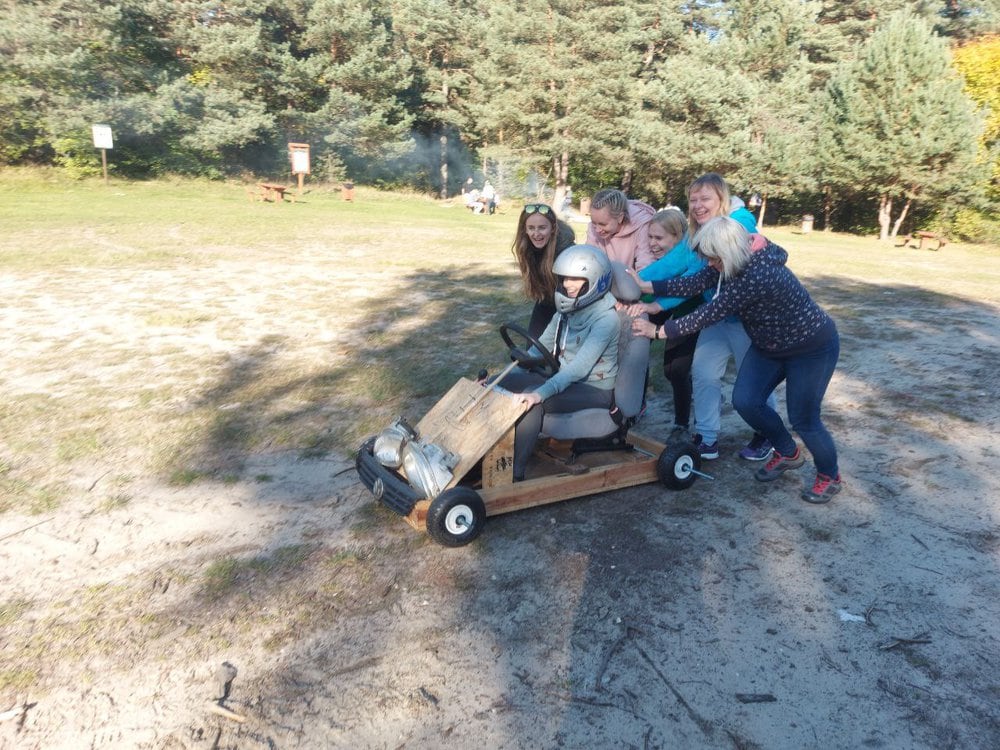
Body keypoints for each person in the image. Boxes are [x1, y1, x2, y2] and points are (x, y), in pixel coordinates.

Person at [632, 216, 842, 504]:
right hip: (769, 345)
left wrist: (658, 331)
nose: (709, 264)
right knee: (746, 401)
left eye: (713, 258)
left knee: (804, 419)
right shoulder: (730, 262)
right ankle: (787, 451)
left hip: (811, 348)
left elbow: (709, 313)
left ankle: (830, 476)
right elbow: (695, 282)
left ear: (728, 252)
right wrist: (648, 287)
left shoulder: (756, 276)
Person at [498, 245, 621, 481]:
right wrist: (512, 370)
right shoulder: (566, 310)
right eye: (564, 278)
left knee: (531, 402)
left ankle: (514, 476)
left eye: (576, 279)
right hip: (564, 378)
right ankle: (482, 453)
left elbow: (578, 369)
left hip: (594, 389)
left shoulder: (607, 320)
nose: (567, 284)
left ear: (596, 280)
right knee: (497, 384)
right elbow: (539, 347)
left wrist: (539, 394)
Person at [677, 173, 777, 461]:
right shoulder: (696, 232)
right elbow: (691, 277)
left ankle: (768, 433)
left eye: (705, 198)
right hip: (717, 319)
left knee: (755, 380)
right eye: (693, 199)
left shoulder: (737, 226)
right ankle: (706, 437)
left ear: (722, 200)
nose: (697, 205)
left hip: (746, 321)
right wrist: (647, 291)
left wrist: (661, 325)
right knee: (703, 373)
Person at [628, 208, 704, 440]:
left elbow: (683, 290)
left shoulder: (691, 257)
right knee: (636, 348)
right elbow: (649, 287)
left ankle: (681, 424)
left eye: (659, 238)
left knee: (675, 369)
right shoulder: (658, 261)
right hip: (663, 303)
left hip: (689, 308)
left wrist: (652, 303)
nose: (653, 243)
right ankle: (634, 404)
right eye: (650, 237)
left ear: (678, 237)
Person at [511, 203, 577, 337]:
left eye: (542, 228)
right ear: (525, 229)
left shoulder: (568, 252)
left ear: (553, 228)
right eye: (531, 228)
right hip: (547, 300)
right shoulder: (527, 247)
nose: (536, 234)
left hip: (571, 306)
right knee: (533, 345)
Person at [585, 188, 656, 270]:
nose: (597, 230)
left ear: (620, 217)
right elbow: (588, 258)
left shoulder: (642, 224)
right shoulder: (594, 226)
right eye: (594, 223)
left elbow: (646, 261)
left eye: (603, 224)